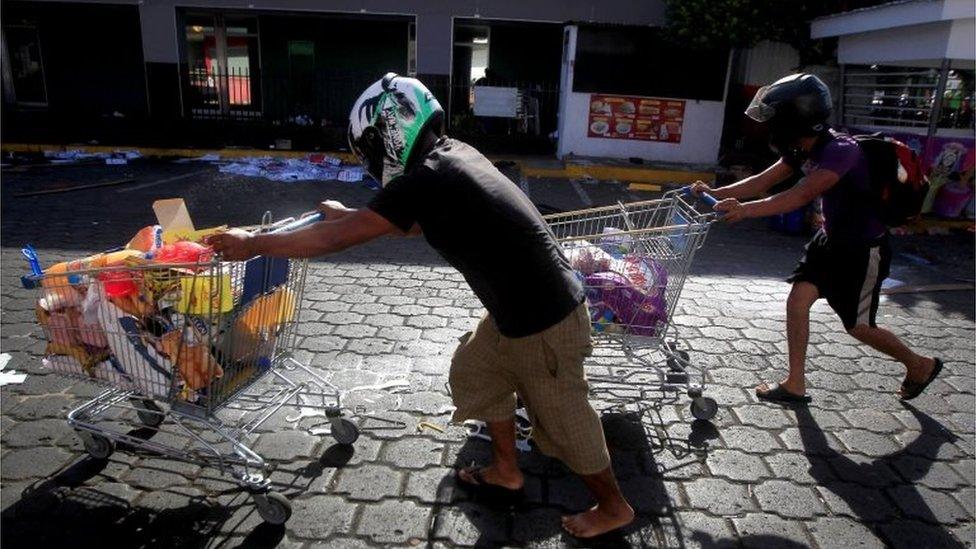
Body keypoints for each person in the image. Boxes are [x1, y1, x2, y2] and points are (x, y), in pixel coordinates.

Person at [209, 73, 634, 538]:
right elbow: (419, 222)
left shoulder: (427, 176)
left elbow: (333, 241)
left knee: (566, 424)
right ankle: (506, 472)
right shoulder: (450, 157)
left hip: (545, 320)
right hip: (516, 311)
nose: (371, 159)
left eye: (370, 147)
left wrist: (254, 242)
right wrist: (358, 218)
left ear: (388, 134)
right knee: (475, 370)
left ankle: (614, 507)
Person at [692, 73, 943, 403]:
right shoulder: (801, 148)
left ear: (795, 120)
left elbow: (800, 194)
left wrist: (745, 211)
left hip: (862, 251)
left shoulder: (841, 151)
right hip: (828, 242)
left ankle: (920, 364)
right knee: (797, 302)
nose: (770, 128)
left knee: (858, 327)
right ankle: (795, 382)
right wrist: (713, 192)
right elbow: (761, 182)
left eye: (775, 120)